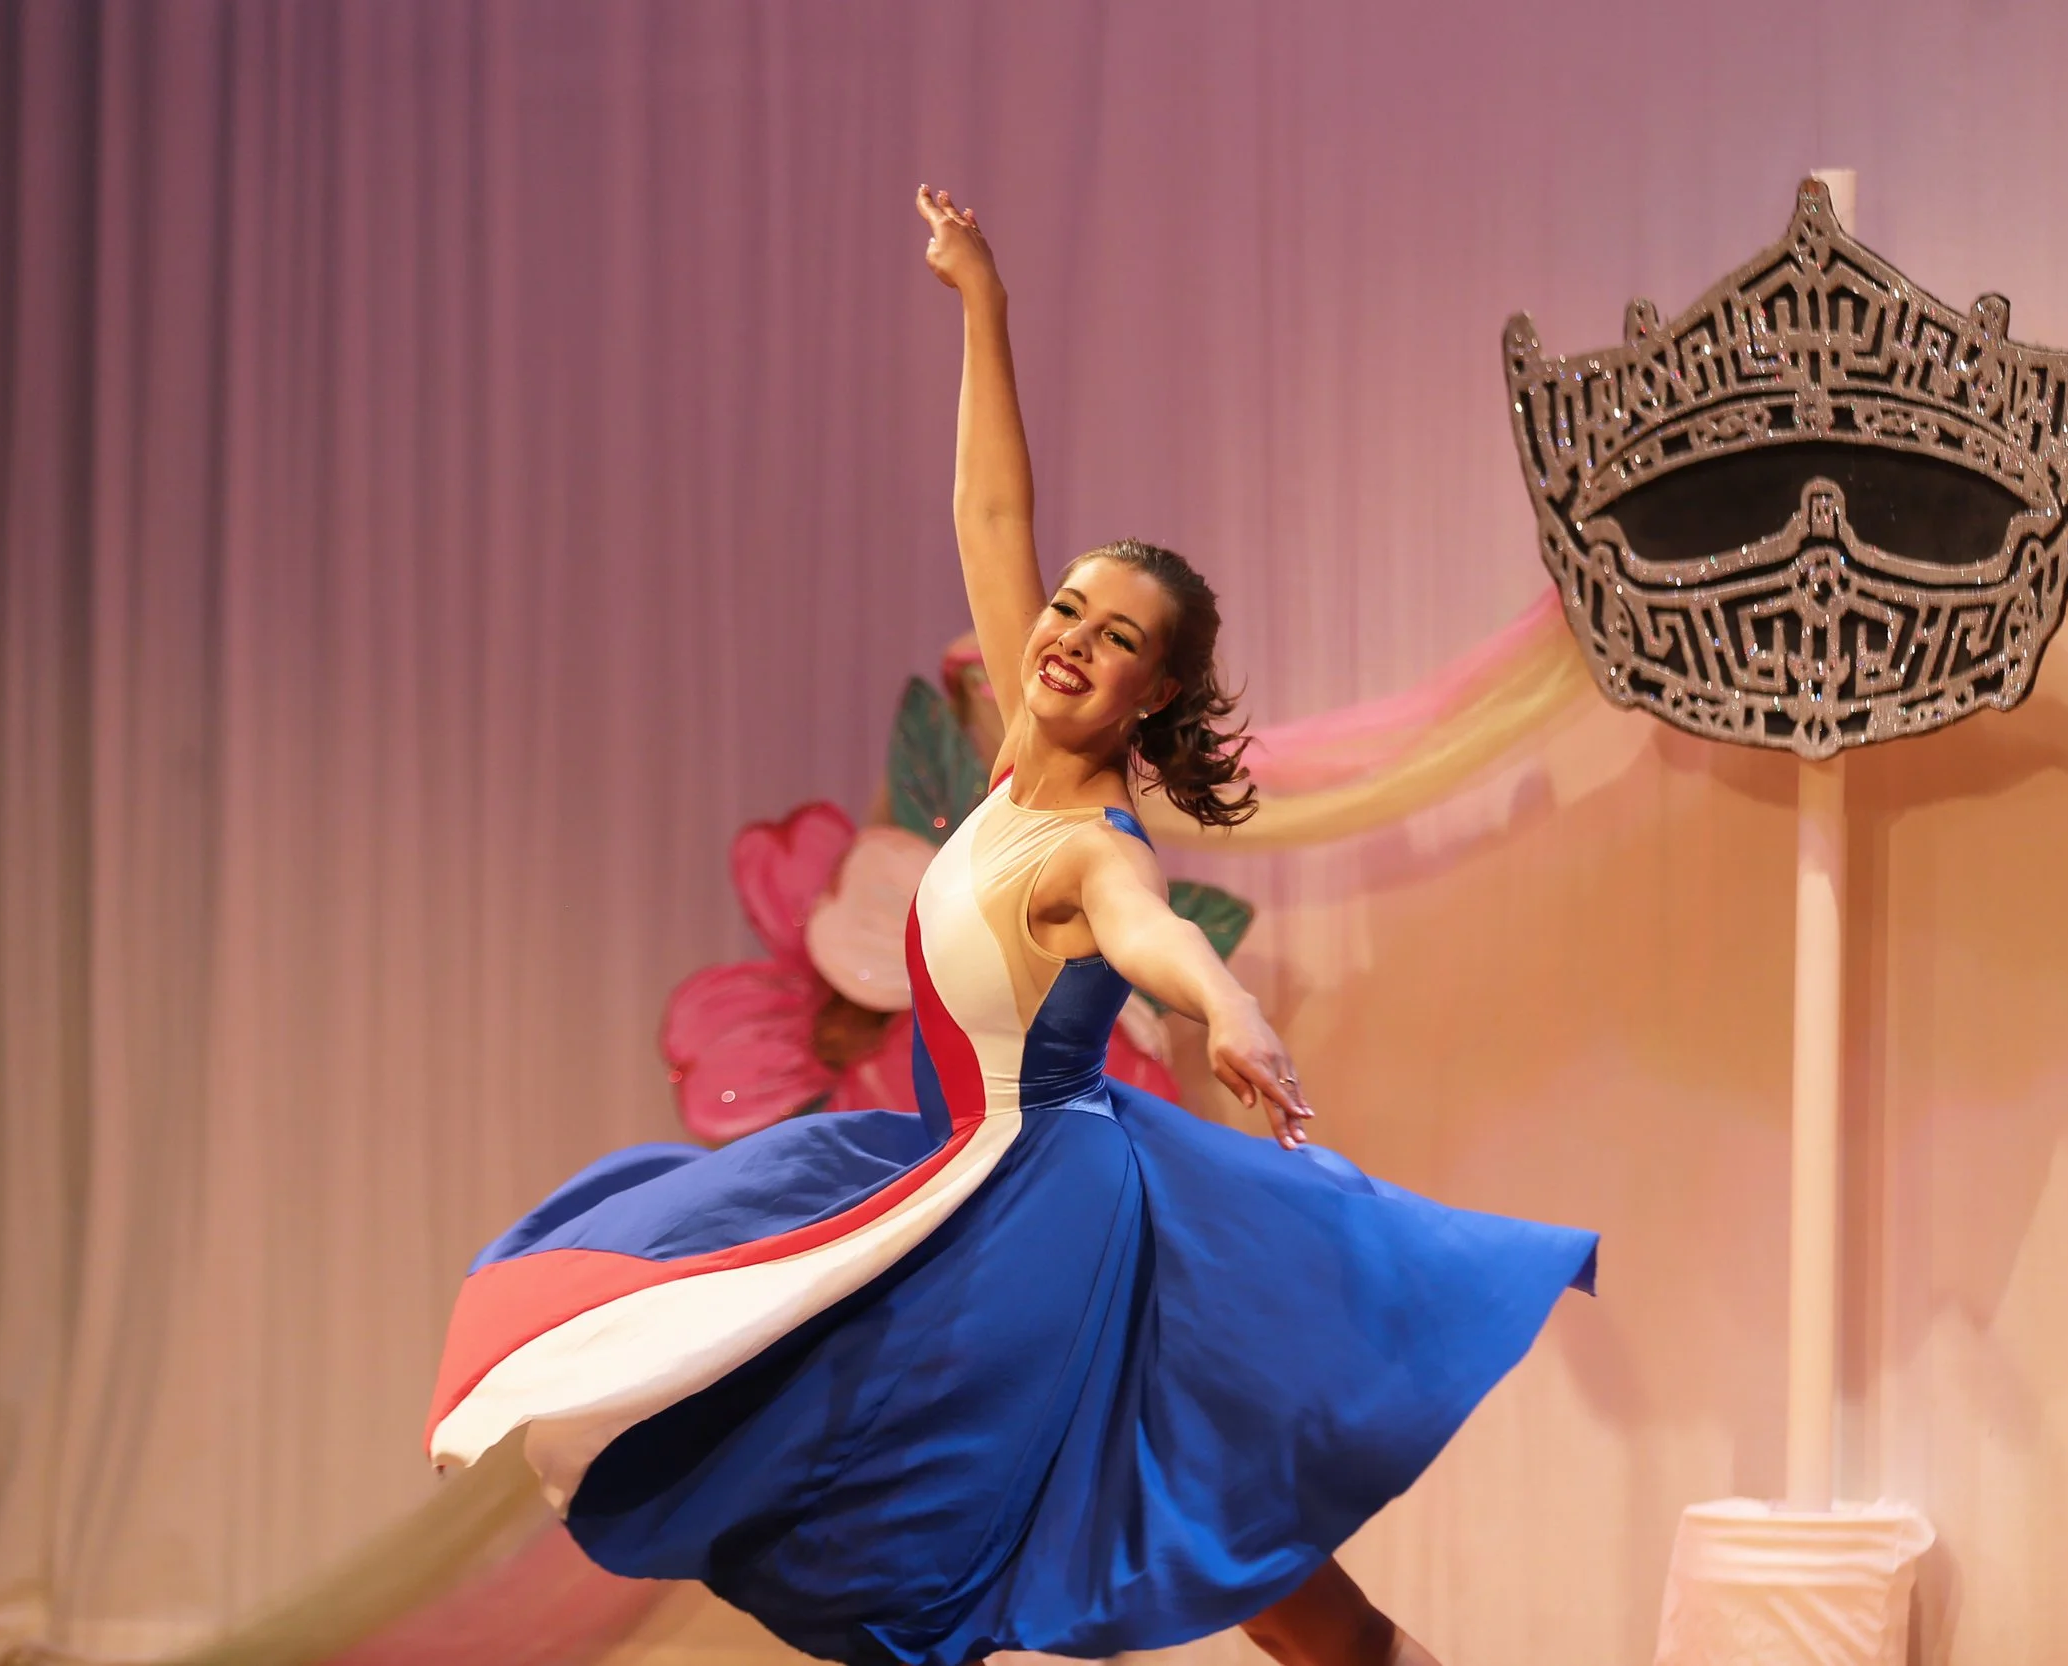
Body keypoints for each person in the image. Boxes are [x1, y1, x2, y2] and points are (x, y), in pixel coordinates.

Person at [421, 186, 1597, 1666]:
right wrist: (981, 299)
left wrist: (1223, 1006)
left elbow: (1154, 930)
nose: (1073, 639)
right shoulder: (1006, 767)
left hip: (1046, 1203)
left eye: (1117, 641)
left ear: (1147, 695)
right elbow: (990, 510)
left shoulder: (1090, 846)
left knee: (1000, 1515)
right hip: (983, 1178)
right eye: (1071, 610)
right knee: (1213, 1530)